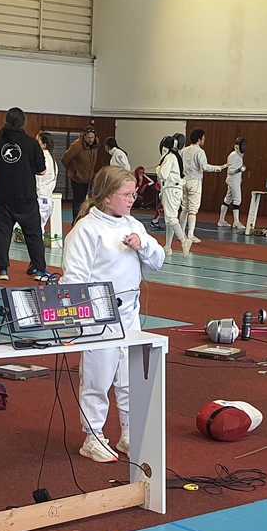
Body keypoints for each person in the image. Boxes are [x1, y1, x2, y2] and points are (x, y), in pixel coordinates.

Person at [59, 166, 165, 463]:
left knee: (130, 377)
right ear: (106, 197)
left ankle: (129, 433)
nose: (132, 199)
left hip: (130, 312)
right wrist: (75, 322)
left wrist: (143, 245)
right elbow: (74, 279)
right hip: (99, 315)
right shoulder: (85, 230)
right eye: (126, 194)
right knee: (98, 378)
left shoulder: (134, 225)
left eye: (134, 194)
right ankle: (93, 437)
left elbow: (159, 260)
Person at [0, 107, 48, 281]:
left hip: (4, 196)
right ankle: (40, 270)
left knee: (3, 233)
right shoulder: (31, 144)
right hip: (26, 195)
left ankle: (3, 270)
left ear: (6, 121)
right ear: (23, 123)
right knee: (33, 234)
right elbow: (42, 170)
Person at [177, 129, 224, 243]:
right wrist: (219, 167)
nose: (204, 140)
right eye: (203, 138)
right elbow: (204, 167)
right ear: (199, 139)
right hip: (195, 182)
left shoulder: (183, 150)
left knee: (184, 208)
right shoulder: (200, 152)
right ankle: (190, 235)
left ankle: (181, 234)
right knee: (192, 210)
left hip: (183, 181)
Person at [156, 134, 191, 255]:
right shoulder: (175, 156)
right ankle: (167, 247)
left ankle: (184, 241)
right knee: (170, 220)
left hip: (171, 189)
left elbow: (163, 175)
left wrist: (158, 169)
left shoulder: (169, 157)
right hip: (175, 189)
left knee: (171, 218)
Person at [63, 128, 100, 217]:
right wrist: (74, 172)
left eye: (92, 137)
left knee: (85, 200)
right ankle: (76, 220)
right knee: (78, 201)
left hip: (88, 178)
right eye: (89, 137)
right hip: (77, 178)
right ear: (85, 136)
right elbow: (65, 159)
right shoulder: (77, 145)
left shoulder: (95, 145)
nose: (91, 140)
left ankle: (82, 218)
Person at [218, 137, 247, 230]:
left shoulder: (238, 155)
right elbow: (230, 171)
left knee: (228, 199)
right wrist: (239, 170)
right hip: (233, 181)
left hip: (235, 180)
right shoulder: (233, 155)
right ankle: (236, 222)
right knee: (237, 200)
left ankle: (221, 220)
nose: (244, 147)